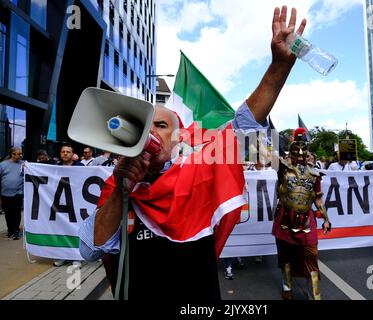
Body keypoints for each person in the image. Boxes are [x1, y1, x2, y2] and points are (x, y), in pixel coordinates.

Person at [79, 6, 307, 300]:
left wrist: (279, 66)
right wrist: (122, 190)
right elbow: (90, 249)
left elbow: (245, 123)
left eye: (160, 125)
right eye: (144, 125)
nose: (151, 132)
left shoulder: (200, 170)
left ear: (179, 139)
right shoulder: (119, 183)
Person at [272, 130, 331, 300]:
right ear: (290, 152)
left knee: (311, 255)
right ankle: (287, 287)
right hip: (285, 218)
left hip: (306, 220)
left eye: (303, 150)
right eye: (295, 150)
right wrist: (259, 130)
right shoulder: (283, 168)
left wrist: (326, 219)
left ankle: (315, 296)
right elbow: (263, 153)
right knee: (285, 256)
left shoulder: (314, 174)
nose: (299, 154)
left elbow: (318, 199)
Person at [54, 144, 84, 266]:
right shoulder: (54, 167)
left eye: (68, 151)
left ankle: (76, 256)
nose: (65, 153)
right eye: (63, 151)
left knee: (75, 229)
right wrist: (27, 167)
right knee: (61, 230)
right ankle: (62, 255)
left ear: (72, 154)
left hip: (76, 204)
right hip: (60, 204)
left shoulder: (80, 167)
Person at [0, 148, 24, 240]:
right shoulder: (2, 165)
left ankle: (16, 230)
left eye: (21, 154)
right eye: (18, 154)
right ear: (12, 154)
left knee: (17, 212)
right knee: (8, 213)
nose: (20, 156)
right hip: (5, 193)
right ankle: (10, 230)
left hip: (18, 193)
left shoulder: (23, 164)